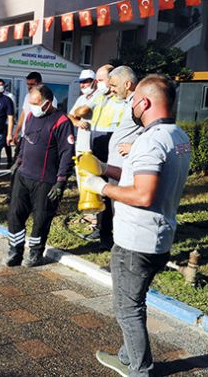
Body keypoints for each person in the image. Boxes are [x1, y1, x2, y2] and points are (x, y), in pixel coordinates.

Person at [80, 75, 191, 376]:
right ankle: (127, 357)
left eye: (133, 100)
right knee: (135, 303)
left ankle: (140, 370)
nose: (130, 105)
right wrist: (105, 169)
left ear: (144, 102)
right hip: (159, 236)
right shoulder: (177, 136)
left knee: (127, 310)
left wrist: (100, 187)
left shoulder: (151, 141)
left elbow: (143, 194)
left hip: (136, 241)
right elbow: (138, 176)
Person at [4, 85, 75, 267]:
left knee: (41, 219)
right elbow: (26, 141)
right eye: (30, 103)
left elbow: (67, 154)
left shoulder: (61, 122)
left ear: (47, 103)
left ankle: (35, 253)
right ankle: (15, 251)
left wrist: (60, 182)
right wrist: (18, 161)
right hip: (23, 175)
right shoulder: (30, 116)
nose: (31, 107)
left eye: (35, 103)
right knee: (15, 214)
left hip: (45, 181)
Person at [86, 64, 126, 246]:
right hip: (97, 141)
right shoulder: (99, 97)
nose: (99, 84)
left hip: (113, 145)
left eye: (101, 80)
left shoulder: (124, 100)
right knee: (99, 188)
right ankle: (101, 229)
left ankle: (111, 235)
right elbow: (84, 111)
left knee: (112, 190)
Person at [106, 66, 141, 171]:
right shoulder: (128, 103)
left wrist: (135, 148)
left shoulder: (138, 104)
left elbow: (153, 130)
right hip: (117, 166)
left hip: (125, 167)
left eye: (114, 85)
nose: (111, 89)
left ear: (127, 85)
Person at [12, 72, 58, 142]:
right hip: (24, 135)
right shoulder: (27, 96)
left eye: (32, 84)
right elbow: (23, 114)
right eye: (28, 84)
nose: (29, 87)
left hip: (39, 138)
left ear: (40, 84)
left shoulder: (50, 99)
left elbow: (52, 119)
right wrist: (16, 132)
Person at [68, 69, 99, 154]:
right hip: (81, 145)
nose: (82, 85)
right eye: (80, 82)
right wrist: (77, 122)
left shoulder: (99, 95)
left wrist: (77, 112)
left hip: (94, 147)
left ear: (95, 81)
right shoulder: (82, 98)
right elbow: (70, 116)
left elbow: (82, 112)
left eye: (85, 82)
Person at [0, 79, 16, 168]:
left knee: (7, 143)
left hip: (7, 123)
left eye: (1, 85)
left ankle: (9, 161)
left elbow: (13, 110)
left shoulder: (10, 96)